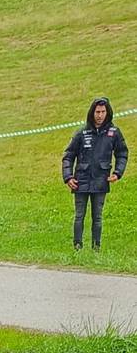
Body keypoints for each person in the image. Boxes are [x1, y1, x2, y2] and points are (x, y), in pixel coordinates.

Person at [62, 97, 128, 250]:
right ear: (92, 113)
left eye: (103, 112)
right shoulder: (81, 133)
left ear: (108, 112)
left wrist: (118, 173)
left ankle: (96, 247)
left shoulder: (114, 133)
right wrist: (68, 177)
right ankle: (77, 247)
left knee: (97, 217)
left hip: (101, 181)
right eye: (97, 112)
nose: (100, 115)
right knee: (79, 216)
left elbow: (122, 153)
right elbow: (68, 156)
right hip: (81, 181)